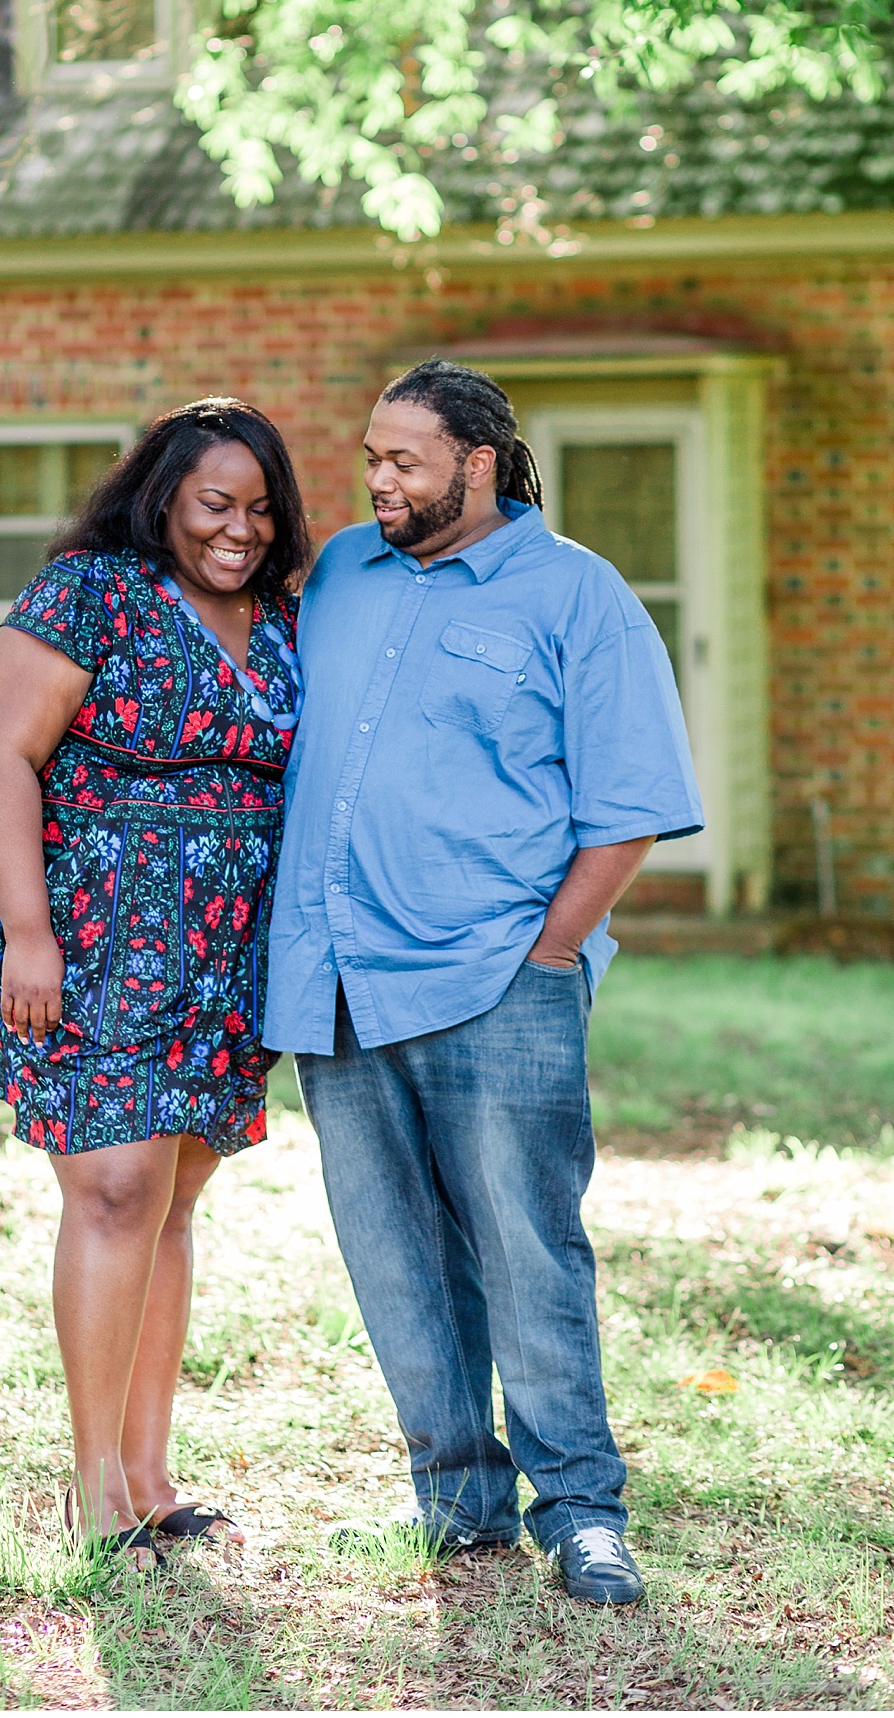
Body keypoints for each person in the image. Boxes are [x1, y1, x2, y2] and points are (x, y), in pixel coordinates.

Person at [264, 358, 703, 1606]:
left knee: (526, 1248)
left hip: (495, 978)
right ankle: (458, 1506)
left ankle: (580, 1508)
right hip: (338, 980)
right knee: (396, 1257)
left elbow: (629, 808)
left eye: (404, 458)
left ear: (478, 462)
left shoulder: (578, 595)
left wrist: (549, 951)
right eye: (370, 456)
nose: (377, 478)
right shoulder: (344, 568)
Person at [0, 398, 309, 1569]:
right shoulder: (90, 592)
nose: (240, 528)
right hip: (95, 939)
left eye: (261, 507)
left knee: (170, 1201)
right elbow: (0, 751)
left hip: (223, 951)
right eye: (217, 502)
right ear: (161, 493)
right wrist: (27, 929)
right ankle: (95, 1489)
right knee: (114, 1190)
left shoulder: (280, 615)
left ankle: (153, 1479)